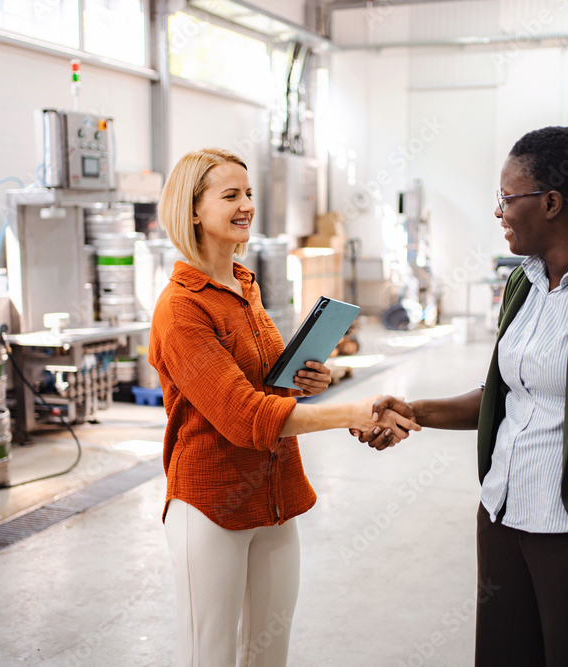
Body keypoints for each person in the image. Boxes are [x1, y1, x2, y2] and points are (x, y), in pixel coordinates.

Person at [355, 127, 568, 666]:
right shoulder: (523, 284)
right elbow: (506, 395)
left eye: (507, 199)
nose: (498, 211)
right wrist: (417, 412)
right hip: (503, 520)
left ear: (551, 203)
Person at [148, 147, 419, 667]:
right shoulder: (182, 308)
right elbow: (246, 415)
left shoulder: (243, 285)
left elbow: (273, 387)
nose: (247, 204)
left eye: (248, 193)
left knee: (269, 653)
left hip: (274, 497)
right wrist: (351, 412)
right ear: (193, 210)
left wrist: (307, 379)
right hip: (211, 505)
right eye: (230, 195)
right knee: (211, 655)